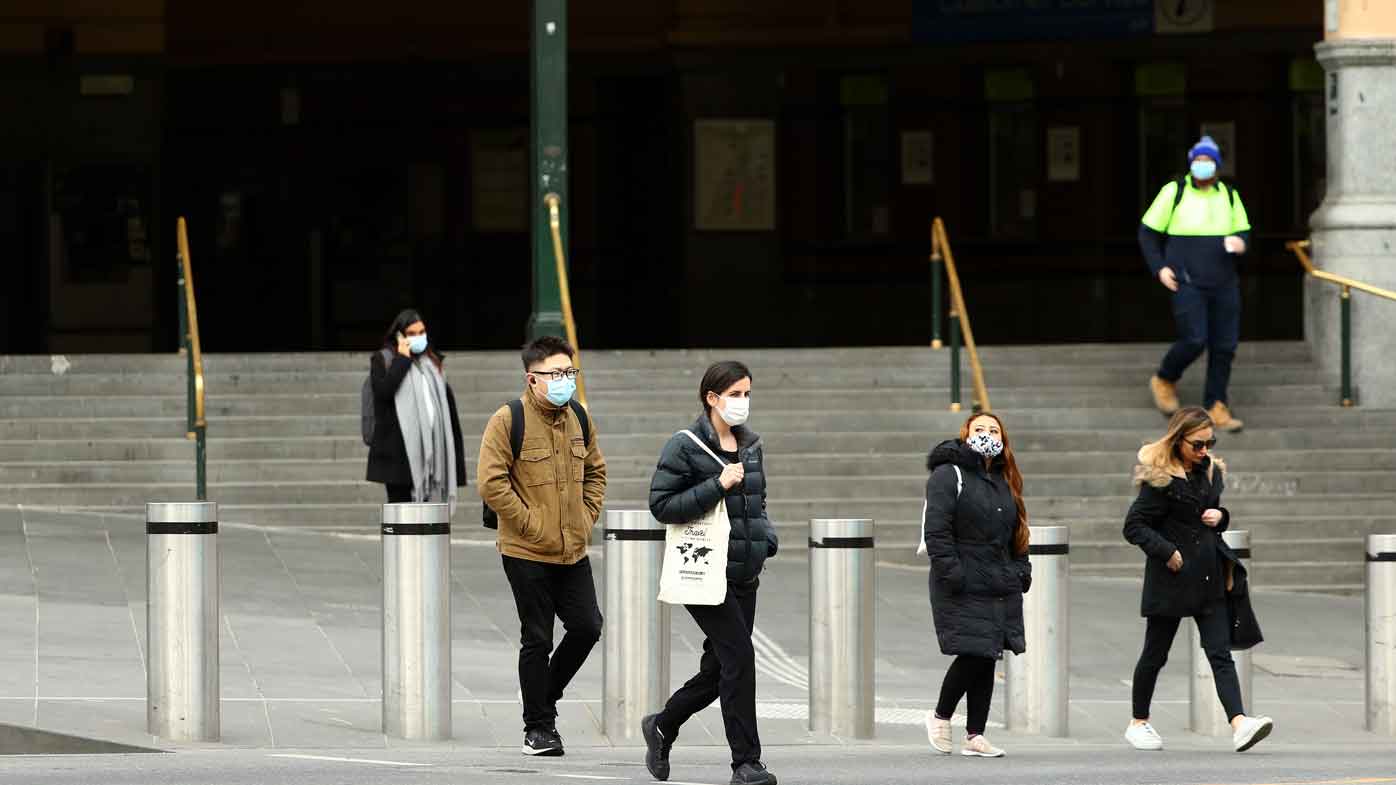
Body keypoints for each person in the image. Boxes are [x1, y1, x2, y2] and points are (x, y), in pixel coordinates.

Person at [642, 361, 778, 785]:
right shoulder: (684, 446)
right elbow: (661, 505)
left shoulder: (751, 444)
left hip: (744, 571)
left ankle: (663, 724)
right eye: (735, 394)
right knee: (739, 658)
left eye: (748, 393)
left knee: (720, 667)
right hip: (705, 573)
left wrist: (765, 537)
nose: (743, 402)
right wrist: (716, 485)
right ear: (712, 398)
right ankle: (746, 762)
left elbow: (758, 501)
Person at [477, 336, 608, 757]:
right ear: (532, 378)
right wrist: (530, 522)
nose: (565, 380)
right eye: (555, 374)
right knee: (537, 637)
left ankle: (543, 696)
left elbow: (596, 472)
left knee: (588, 626)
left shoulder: (580, 419)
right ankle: (538, 728)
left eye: (570, 372)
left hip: (573, 549)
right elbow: (491, 481)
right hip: (526, 551)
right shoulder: (507, 419)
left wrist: (586, 517)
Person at [1122, 406, 1273, 753]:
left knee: (1220, 653)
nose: (1205, 450)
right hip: (1172, 577)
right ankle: (1138, 722)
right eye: (1198, 444)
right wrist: (1167, 552)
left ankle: (1239, 723)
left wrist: (1221, 516)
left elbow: (1212, 520)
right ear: (1178, 441)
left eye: (1210, 442)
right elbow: (1133, 527)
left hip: (1208, 576)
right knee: (1155, 655)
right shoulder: (1159, 480)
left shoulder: (1209, 474)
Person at [922, 412, 1030, 758]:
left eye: (993, 430)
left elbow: (1017, 533)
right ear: (965, 434)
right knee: (973, 652)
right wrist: (955, 574)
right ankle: (940, 715)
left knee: (988, 654)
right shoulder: (947, 474)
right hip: (963, 579)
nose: (987, 435)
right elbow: (937, 531)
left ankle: (975, 734)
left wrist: (1021, 571)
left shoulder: (1003, 478)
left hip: (999, 579)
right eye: (979, 429)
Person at [1139, 135, 1252, 432]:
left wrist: (1241, 243)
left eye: (1209, 161)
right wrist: (1159, 268)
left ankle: (1216, 405)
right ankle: (1164, 378)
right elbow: (1147, 234)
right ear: (1191, 164)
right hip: (1186, 281)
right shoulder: (1174, 192)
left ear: (1217, 165)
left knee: (1224, 346)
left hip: (1224, 282)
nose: (1203, 166)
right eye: (1198, 161)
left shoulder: (1229, 195)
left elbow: (1245, 233)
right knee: (1194, 338)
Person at [365, 308, 466, 505]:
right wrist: (403, 359)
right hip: (399, 461)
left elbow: (449, 415)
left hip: (433, 459)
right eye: (412, 334)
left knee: (429, 523)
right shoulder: (383, 360)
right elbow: (384, 392)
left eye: (422, 332)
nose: (419, 337)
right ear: (400, 336)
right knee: (402, 523)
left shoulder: (432, 362)